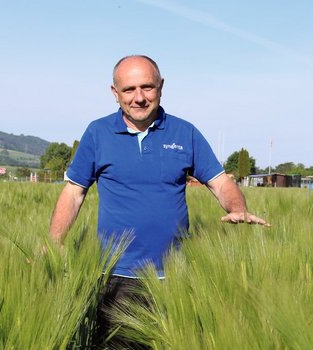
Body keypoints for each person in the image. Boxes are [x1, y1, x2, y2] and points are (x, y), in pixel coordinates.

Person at [49, 55, 269, 345]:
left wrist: (238, 209)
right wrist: (53, 243)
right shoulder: (97, 133)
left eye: (147, 87)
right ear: (115, 93)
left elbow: (220, 182)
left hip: (176, 278)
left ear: (161, 87)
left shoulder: (185, 132)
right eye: (129, 90)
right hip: (114, 278)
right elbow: (74, 193)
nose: (139, 97)